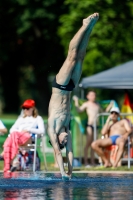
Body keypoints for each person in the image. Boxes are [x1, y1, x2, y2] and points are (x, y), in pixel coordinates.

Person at [47, 13, 99, 180]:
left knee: (71, 58)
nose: (66, 138)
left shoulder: (53, 128)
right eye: (66, 139)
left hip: (60, 87)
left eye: (64, 140)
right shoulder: (67, 128)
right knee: (81, 57)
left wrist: (62, 173)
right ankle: (90, 28)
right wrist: (71, 172)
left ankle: (84, 25)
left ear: (58, 139)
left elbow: (58, 151)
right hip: (70, 88)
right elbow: (70, 152)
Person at [3, 99, 45, 172]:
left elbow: (42, 131)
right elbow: (12, 129)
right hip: (18, 138)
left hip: (29, 138)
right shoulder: (21, 119)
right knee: (13, 135)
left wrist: (28, 129)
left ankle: (11, 161)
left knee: (10, 140)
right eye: (24, 108)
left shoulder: (38, 119)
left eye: (27, 108)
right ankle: (13, 161)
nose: (25, 110)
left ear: (32, 108)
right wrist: (20, 132)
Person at [73, 91, 112, 167]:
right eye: (91, 95)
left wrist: (110, 105)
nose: (93, 96)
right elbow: (79, 110)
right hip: (90, 126)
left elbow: (103, 112)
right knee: (88, 143)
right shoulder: (86, 104)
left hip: (96, 127)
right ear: (88, 96)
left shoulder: (97, 105)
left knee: (94, 145)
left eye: (94, 95)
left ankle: (92, 162)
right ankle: (86, 162)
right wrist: (76, 101)